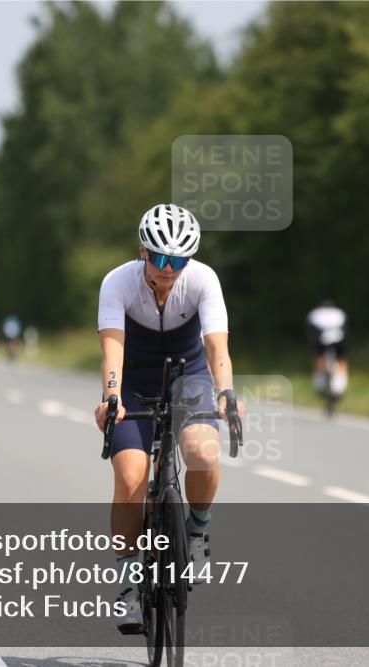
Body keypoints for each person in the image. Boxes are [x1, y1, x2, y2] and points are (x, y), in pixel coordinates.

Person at [93, 203, 243, 633]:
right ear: (143, 250)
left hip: (188, 374)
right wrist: (111, 397)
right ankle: (127, 586)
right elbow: (112, 350)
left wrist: (226, 393)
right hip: (134, 380)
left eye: (179, 260)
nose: (169, 269)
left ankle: (196, 533)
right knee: (130, 479)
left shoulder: (203, 279)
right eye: (160, 258)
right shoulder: (117, 282)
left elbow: (217, 347)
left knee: (203, 452)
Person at [307, 299, 348, 399]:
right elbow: (345, 328)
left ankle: (320, 384)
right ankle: (340, 387)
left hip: (321, 340)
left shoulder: (315, 314)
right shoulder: (339, 313)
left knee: (320, 357)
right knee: (341, 359)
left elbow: (310, 330)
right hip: (339, 340)